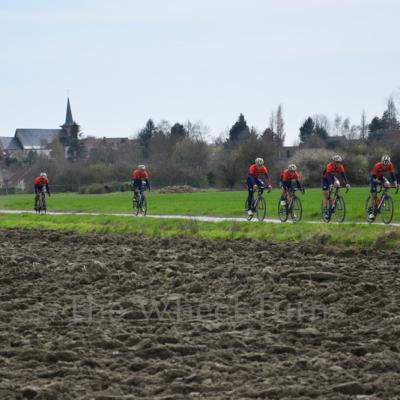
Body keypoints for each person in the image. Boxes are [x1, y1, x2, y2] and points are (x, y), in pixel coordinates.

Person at [367, 154, 398, 221]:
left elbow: (392, 175)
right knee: (373, 195)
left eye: (386, 165)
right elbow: (373, 177)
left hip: (380, 177)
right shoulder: (377, 165)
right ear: (381, 162)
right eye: (384, 165)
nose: (385, 166)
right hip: (373, 178)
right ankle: (369, 212)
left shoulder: (390, 165)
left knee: (387, 184)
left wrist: (395, 183)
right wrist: (376, 181)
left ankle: (382, 199)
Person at [321, 155, 350, 219]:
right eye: (337, 162)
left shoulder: (341, 167)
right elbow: (328, 176)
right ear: (333, 162)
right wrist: (331, 184)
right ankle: (325, 210)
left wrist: (347, 183)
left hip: (332, 178)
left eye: (339, 162)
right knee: (325, 193)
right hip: (325, 178)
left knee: (337, 185)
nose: (338, 163)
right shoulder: (329, 166)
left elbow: (343, 175)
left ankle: (334, 201)